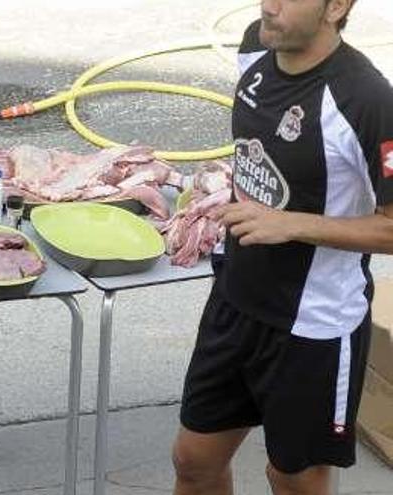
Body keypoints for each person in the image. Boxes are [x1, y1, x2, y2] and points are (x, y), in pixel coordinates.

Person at [172, 0, 393, 494]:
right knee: (194, 462)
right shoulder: (256, 44)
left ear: (337, 7)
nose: (268, 6)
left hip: (312, 327)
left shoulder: (367, 99)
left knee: (292, 480)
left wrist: (291, 224)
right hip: (236, 301)